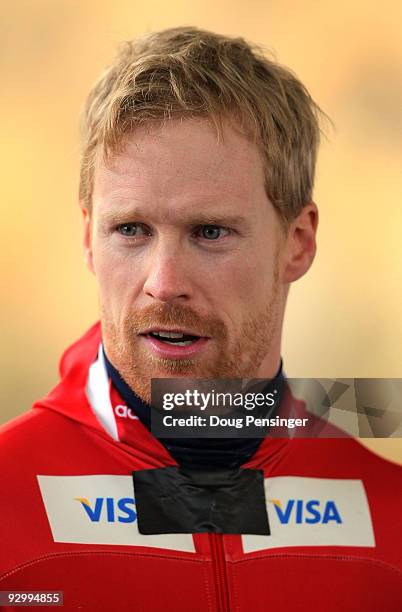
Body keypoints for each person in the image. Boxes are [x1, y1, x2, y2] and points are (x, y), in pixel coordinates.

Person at [0, 26, 401, 611]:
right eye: (130, 230)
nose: (164, 283)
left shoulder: (388, 518)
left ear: (297, 242)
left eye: (210, 232)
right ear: (89, 238)